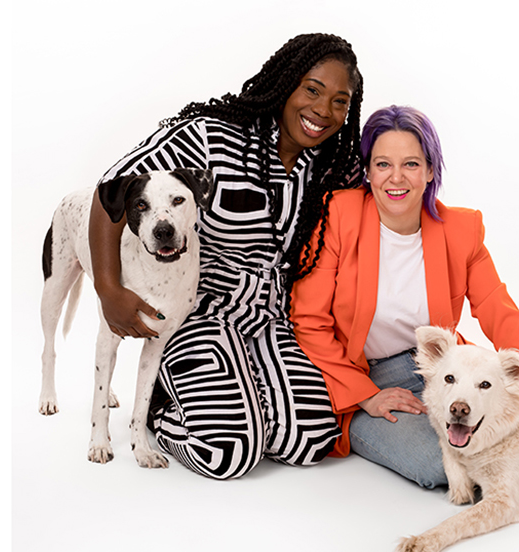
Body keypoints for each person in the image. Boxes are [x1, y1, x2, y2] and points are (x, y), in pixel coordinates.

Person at [88, 33, 364, 479]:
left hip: (271, 318)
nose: (323, 110)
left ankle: (244, 396)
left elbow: (391, 188)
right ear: (286, 83)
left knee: (312, 437)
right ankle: (165, 407)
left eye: (339, 101)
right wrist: (107, 289)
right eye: (312, 90)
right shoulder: (211, 138)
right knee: (230, 452)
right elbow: (114, 188)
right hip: (195, 310)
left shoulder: (331, 163)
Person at [290, 105, 519, 488]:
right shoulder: (340, 215)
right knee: (443, 465)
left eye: (411, 164)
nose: (396, 178)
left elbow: (500, 314)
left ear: (431, 171)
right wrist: (366, 397)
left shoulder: (460, 229)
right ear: (368, 171)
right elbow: (308, 321)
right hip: (360, 374)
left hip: (444, 369)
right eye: (383, 164)